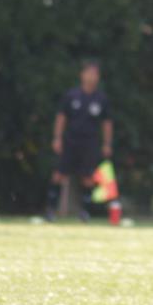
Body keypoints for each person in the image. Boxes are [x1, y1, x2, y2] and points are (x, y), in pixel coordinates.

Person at [45, 59, 112, 222]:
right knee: (59, 175)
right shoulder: (72, 95)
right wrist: (57, 138)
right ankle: (50, 210)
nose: (91, 77)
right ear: (82, 75)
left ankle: (85, 213)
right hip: (70, 141)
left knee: (88, 178)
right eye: (89, 73)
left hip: (90, 142)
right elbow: (61, 117)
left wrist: (107, 144)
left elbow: (107, 123)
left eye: (94, 74)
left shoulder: (101, 98)